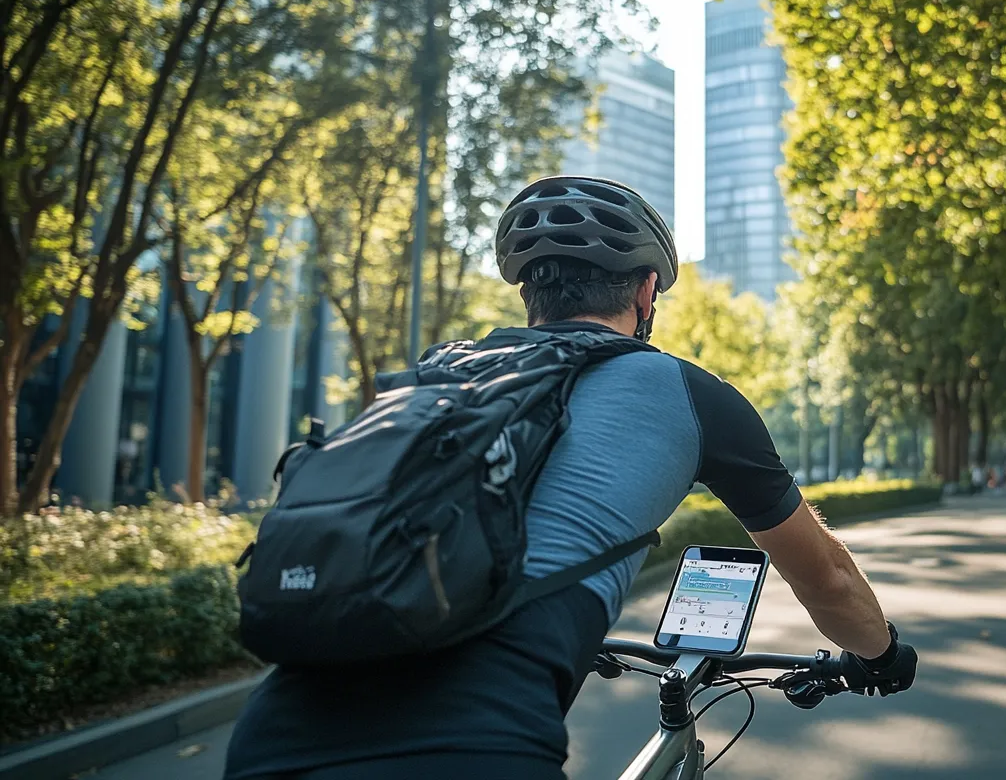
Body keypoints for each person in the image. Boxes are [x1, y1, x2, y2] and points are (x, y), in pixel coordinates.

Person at [223, 176, 917, 780]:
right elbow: (822, 574)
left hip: (270, 734)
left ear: (532, 295)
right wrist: (880, 655)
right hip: (473, 742)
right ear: (647, 291)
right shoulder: (684, 390)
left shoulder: (441, 375)